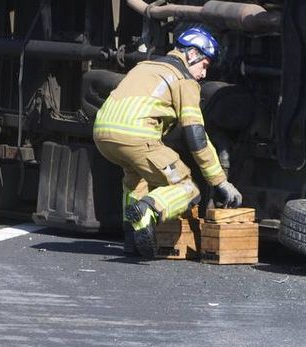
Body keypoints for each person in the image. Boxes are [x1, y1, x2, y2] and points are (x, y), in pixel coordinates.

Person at [93, 26, 243, 257]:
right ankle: (147, 212)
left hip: (103, 133)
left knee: (135, 181)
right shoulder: (184, 80)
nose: (204, 74)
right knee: (187, 188)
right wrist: (220, 182)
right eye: (205, 66)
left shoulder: (144, 66)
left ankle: (131, 238)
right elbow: (196, 136)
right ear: (192, 54)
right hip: (137, 136)